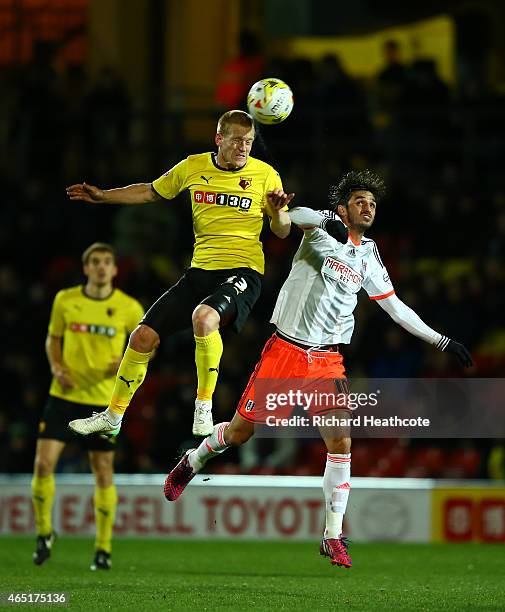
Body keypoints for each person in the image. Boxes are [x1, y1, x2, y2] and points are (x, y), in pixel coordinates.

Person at [163, 169, 473, 568]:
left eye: (373, 203)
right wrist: (286, 212)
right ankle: (194, 461)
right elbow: (291, 220)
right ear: (343, 207)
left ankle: (332, 534)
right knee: (240, 433)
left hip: (327, 360)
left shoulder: (369, 255)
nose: (368, 207)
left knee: (341, 442)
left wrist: (441, 340)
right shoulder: (321, 227)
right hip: (286, 351)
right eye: (360, 201)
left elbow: (396, 308)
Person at [66, 110, 293, 438]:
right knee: (142, 337)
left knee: (204, 318)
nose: (244, 147)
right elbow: (151, 191)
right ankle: (113, 416)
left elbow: (282, 230)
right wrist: (104, 197)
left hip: (243, 271)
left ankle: (204, 407)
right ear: (219, 139)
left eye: (249, 141)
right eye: (236, 141)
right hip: (200, 269)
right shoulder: (193, 166)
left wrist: (276, 211)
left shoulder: (266, 175)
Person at [32, 243, 144, 570]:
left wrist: (124, 361)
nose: (100, 267)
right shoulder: (66, 300)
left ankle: (103, 548)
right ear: (86, 268)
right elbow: (53, 338)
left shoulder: (129, 307)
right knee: (42, 465)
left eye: (106, 262)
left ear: (114, 270)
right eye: (94, 262)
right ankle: (43, 533)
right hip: (64, 396)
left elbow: (147, 349)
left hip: (103, 402)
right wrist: (55, 366)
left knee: (103, 472)